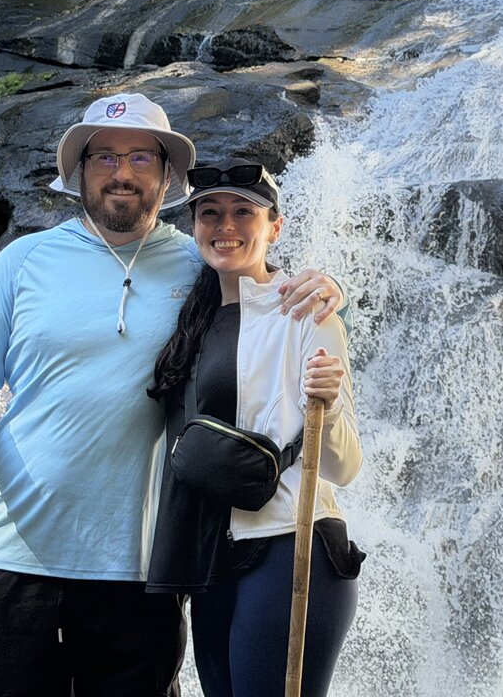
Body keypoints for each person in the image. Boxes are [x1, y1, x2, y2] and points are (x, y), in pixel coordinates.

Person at [0, 94, 344, 697]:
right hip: (18, 559)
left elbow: (266, 288)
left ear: (167, 174)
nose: (121, 172)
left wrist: (328, 284)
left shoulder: (200, 265)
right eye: (104, 156)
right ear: (79, 170)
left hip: (142, 572)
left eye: (140, 158)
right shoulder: (22, 262)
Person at [146, 157, 363, 697]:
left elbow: (344, 466)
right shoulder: (189, 317)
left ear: (275, 228)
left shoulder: (306, 313)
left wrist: (328, 405)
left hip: (290, 546)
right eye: (210, 213)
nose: (226, 226)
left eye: (244, 212)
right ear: (193, 226)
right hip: (211, 560)